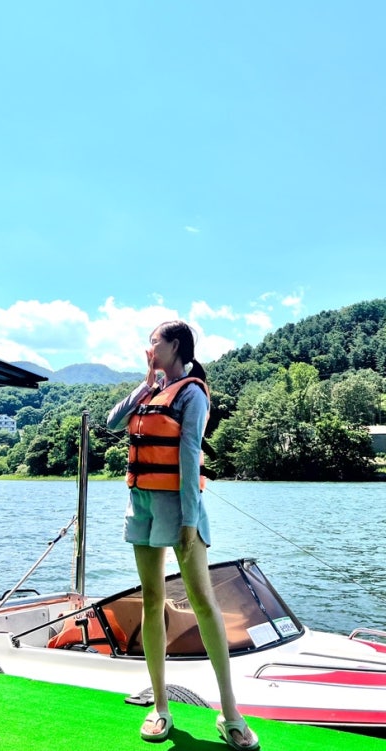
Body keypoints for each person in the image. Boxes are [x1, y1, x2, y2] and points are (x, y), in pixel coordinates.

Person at [107, 320, 259, 749]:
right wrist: (145, 383)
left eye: (154, 342)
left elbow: (190, 455)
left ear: (174, 345)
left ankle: (230, 714)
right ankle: (160, 707)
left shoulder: (192, 394)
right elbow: (113, 422)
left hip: (180, 509)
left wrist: (190, 522)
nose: (149, 348)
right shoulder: (150, 392)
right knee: (152, 601)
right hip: (142, 507)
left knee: (203, 602)